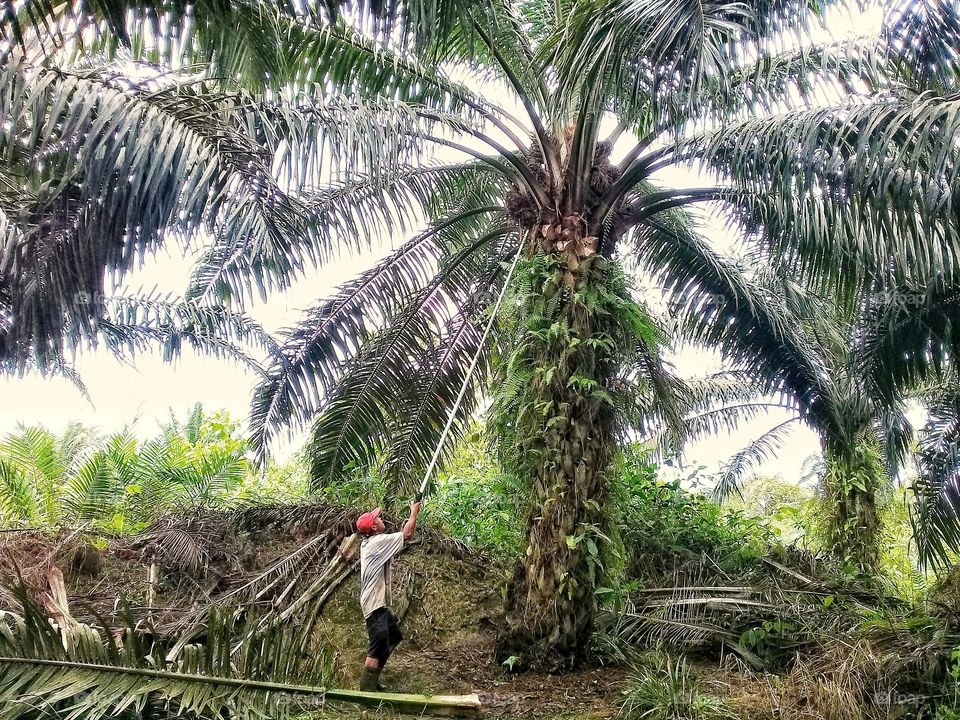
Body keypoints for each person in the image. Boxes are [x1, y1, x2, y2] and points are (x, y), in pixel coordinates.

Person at [356, 500, 421, 692]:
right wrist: (414, 512)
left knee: (393, 636)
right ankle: (366, 689)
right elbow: (407, 534)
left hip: (378, 602)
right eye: (378, 518)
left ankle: (373, 680)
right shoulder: (376, 543)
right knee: (378, 643)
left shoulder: (370, 542)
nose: (381, 519)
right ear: (374, 526)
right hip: (373, 602)